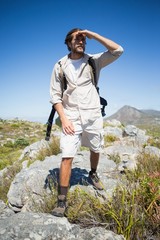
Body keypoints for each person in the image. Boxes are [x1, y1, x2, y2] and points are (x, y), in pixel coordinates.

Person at [50, 28, 124, 217]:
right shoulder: (60, 65)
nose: (81, 42)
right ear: (68, 42)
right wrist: (64, 119)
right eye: (77, 39)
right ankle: (62, 201)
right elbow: (55, 96)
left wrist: (94, 34)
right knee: (67, 155)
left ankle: (92, 173)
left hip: (92, 114)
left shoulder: (93, 61)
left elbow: (118, 50)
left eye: (83, 40)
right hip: (71, 116)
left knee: (95, 148)